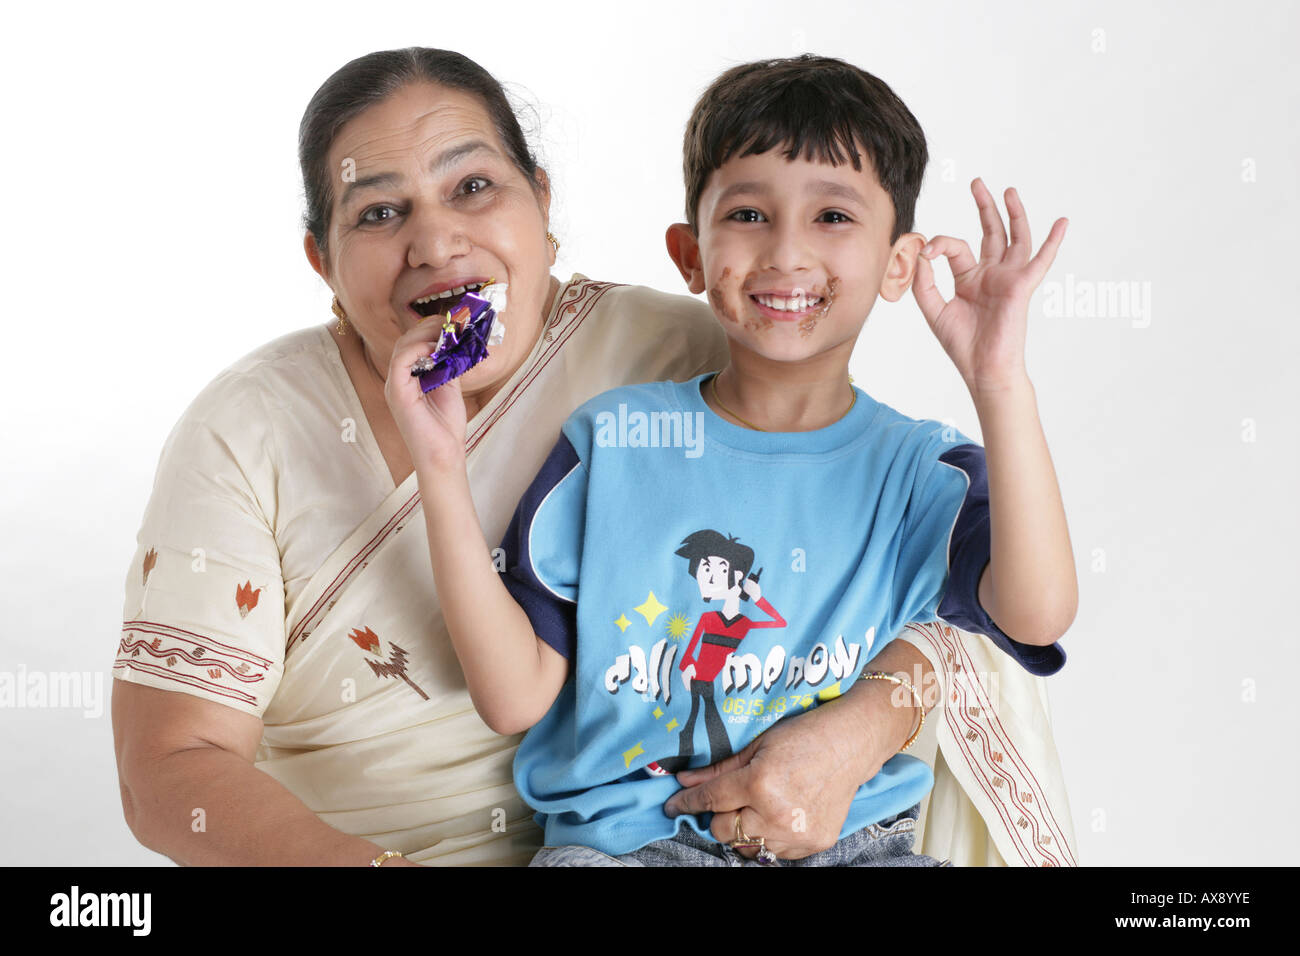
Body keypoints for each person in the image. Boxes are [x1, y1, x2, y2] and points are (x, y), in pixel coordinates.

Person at [112, 47, 1076, 868]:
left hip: (810, 826)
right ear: (321, 258)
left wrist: (853, 734)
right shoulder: (252, 429)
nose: (435, 240)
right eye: (376, 213)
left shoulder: (688, 347)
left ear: (541, 204)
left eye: (473, 187)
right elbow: (170, 773)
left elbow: (962, 614)